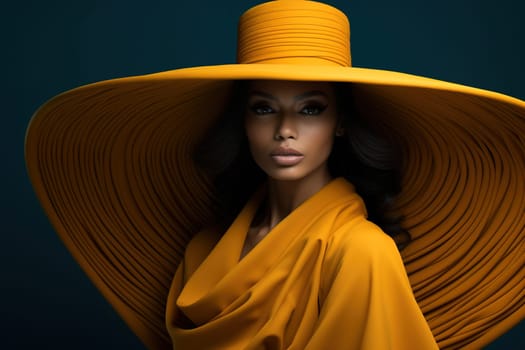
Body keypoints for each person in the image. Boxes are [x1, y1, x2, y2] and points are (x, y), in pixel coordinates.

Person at [25, 1, 524, 349]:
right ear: (242, 123)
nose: (285, 130)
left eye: (310, 109)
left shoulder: (361, 252)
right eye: (264, 108)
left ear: (341, 123)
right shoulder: (202, 252)